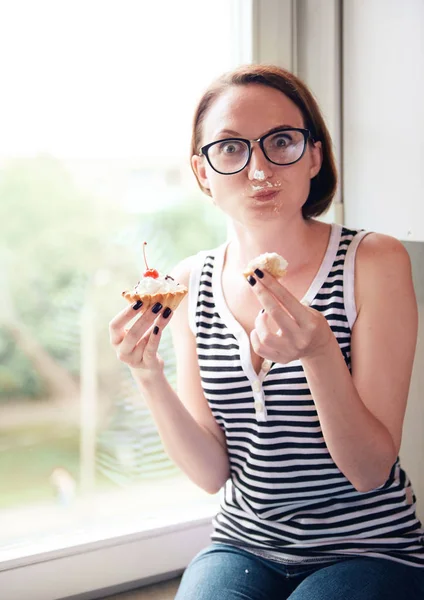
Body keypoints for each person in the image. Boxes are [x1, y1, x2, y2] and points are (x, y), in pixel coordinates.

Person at [109, 64, 424, 599]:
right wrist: (147, 376)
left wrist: (321, 352)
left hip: (371, 548)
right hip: (243, 544)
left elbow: (371, 470)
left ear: (315, 157)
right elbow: (211, 473)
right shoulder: (189, 282)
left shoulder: (373, 261)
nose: (259, 169)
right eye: (230, 148)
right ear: (203, 172)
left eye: (282, 141)